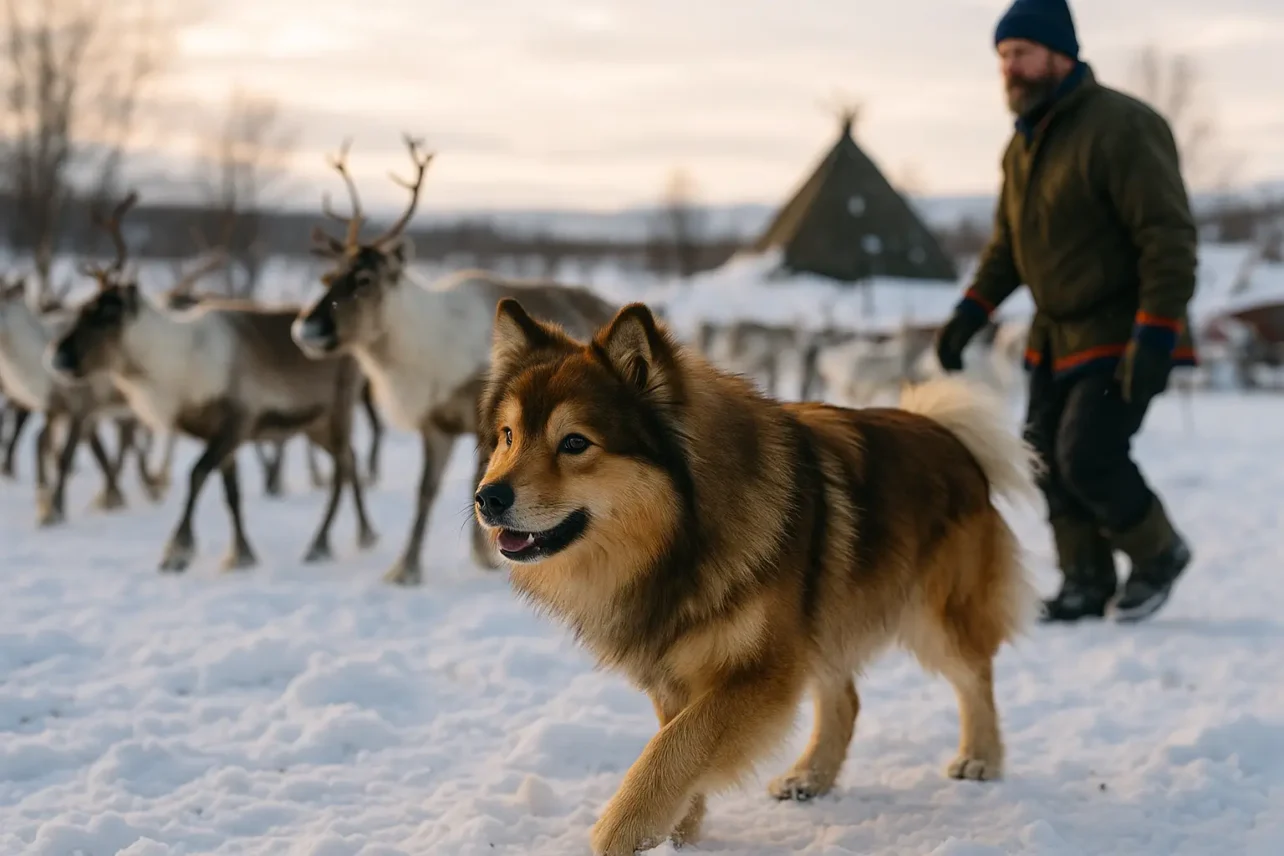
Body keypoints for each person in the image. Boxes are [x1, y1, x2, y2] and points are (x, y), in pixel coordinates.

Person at [935, 0, 1197, 624]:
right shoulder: (1022, 148)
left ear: (1060, 54)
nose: (1009, 68)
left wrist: (1157, 332)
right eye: (1003, 56)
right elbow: (1008, 247)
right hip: (1055, 337)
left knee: (1088, 453)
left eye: (1021, 53)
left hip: (1124, 331)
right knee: (1044, 458)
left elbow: (1167, 237)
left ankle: (1158, 552)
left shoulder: (1122, 127)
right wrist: (970, 312)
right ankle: (1085, 579)